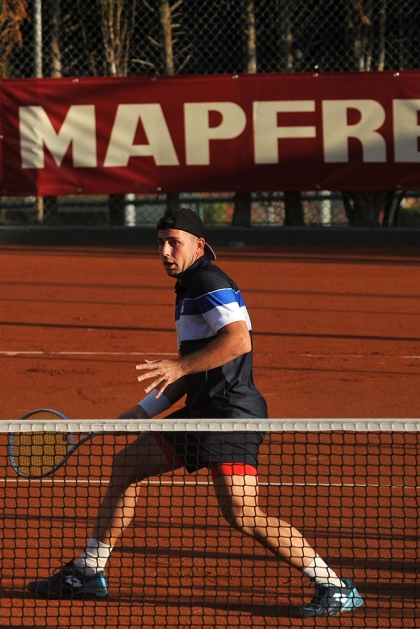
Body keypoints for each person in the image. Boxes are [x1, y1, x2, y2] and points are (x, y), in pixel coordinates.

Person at [26, 208, 363, 618]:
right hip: (201, 411)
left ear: (199, 245)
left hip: (231, 415)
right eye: (160, 243)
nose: (165, 251)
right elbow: (195, 369)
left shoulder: (207, 282)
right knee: (126, 466)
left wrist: (178, 366)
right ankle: (88, 572)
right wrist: (141, 411)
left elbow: (238, 342)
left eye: (174, 242)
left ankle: (334, 586)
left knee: (243, 516)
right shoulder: (188, 288)